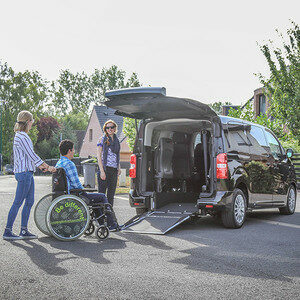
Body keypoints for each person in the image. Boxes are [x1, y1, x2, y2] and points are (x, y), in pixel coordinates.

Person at [3, 111, 56, 240]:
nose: (33, 124)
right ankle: (8, 231)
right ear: (28, 122)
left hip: (27, 172)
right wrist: (47, 166)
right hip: (25, 174)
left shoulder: (20, 136)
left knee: (29, 201)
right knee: (18, 202)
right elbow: (32, 154)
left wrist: (40, 166)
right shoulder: (22, 136)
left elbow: (28, 156)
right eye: (32, 121)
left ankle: (24, 230)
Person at [55, 139, 119, 230]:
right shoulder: (70, 164)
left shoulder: (59, 163)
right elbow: (76, 185)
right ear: (69, 151)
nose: (74, 152)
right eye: (73, 150)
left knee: (95, 200)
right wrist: (85, 189)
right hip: (76, 195)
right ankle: (111, 223)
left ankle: (102, 225)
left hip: (66, 194)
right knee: (102, 197)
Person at [97, 120, 121, 207]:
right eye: (107, 128)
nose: (110, 129)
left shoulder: (117, 141)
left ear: (115, 129)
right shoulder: (101, 139)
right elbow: (99, 156)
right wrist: (102, 171)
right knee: (101, 195)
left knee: (111, 195)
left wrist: (119, 167)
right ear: (105, 129)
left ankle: (109, 214)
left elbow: (117, 155)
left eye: (112, 127)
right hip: (105, 169)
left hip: (113, 170)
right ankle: (100, 214)